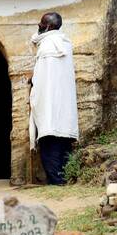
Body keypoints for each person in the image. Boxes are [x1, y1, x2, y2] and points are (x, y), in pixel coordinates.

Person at [29, 11, 79, 184]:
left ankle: (57, 181)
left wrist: (33, 82)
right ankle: (62, 179)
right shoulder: (64, 42)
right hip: (63, 104)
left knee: (49, 143)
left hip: (49, 102)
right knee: (62, 142)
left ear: (49, 26)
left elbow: (44, 76)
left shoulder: (48, 44)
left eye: (42, 23)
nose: (39, 26)